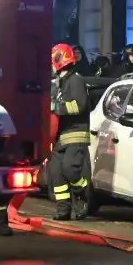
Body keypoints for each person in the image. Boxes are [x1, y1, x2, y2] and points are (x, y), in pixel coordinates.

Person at [45, 43, 94, 220]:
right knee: (56, 174)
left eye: (52, 60)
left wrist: (56, 107)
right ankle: (63, 210)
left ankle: (82, 194)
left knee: (70, 170)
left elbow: (79, 106)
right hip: (59, 136)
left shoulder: (76, 80)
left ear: (59, 59)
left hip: (75, 133)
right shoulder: (58, 83)